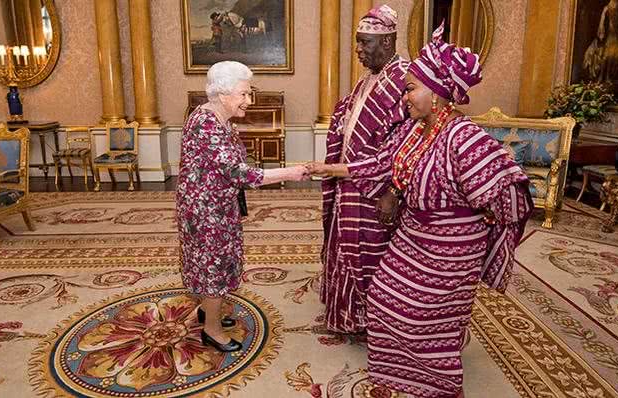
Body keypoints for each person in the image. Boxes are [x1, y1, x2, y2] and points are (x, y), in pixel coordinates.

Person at [310, 24, 533, 397]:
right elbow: (382, 164)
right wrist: (330, 169)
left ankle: (437, 380)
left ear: (438, 93)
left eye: (412, 88)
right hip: (412, 236)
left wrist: (484, 236)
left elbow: (509, 192)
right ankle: (400, 375)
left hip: (450, 246)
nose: (406, 95)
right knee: (382, 296)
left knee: (419, 314)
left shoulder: (464, 136)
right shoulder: (417, 130)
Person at [176, 61, 307, 352]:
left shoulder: (221, 120)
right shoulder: (205, 124)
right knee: (213, 267)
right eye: (244, 94)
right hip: (205, 212)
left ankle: (207, 311)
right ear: (222, 94)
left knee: (221, 262)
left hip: (219, 205)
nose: (250, 100)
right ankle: (210, 329)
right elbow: (239, 172)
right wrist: (289, 172)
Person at [311, 4, 409, 334]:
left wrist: (393, 191)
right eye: (357, 42)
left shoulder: (404, 81)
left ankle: (375, 322)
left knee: (370, 253)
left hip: (376, 189)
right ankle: (348, 316)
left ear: (387, 42)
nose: (358, 50)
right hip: (350, 181)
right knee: (345, 245)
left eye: (364, 43)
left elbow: (403, 147)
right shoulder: (369, 79)